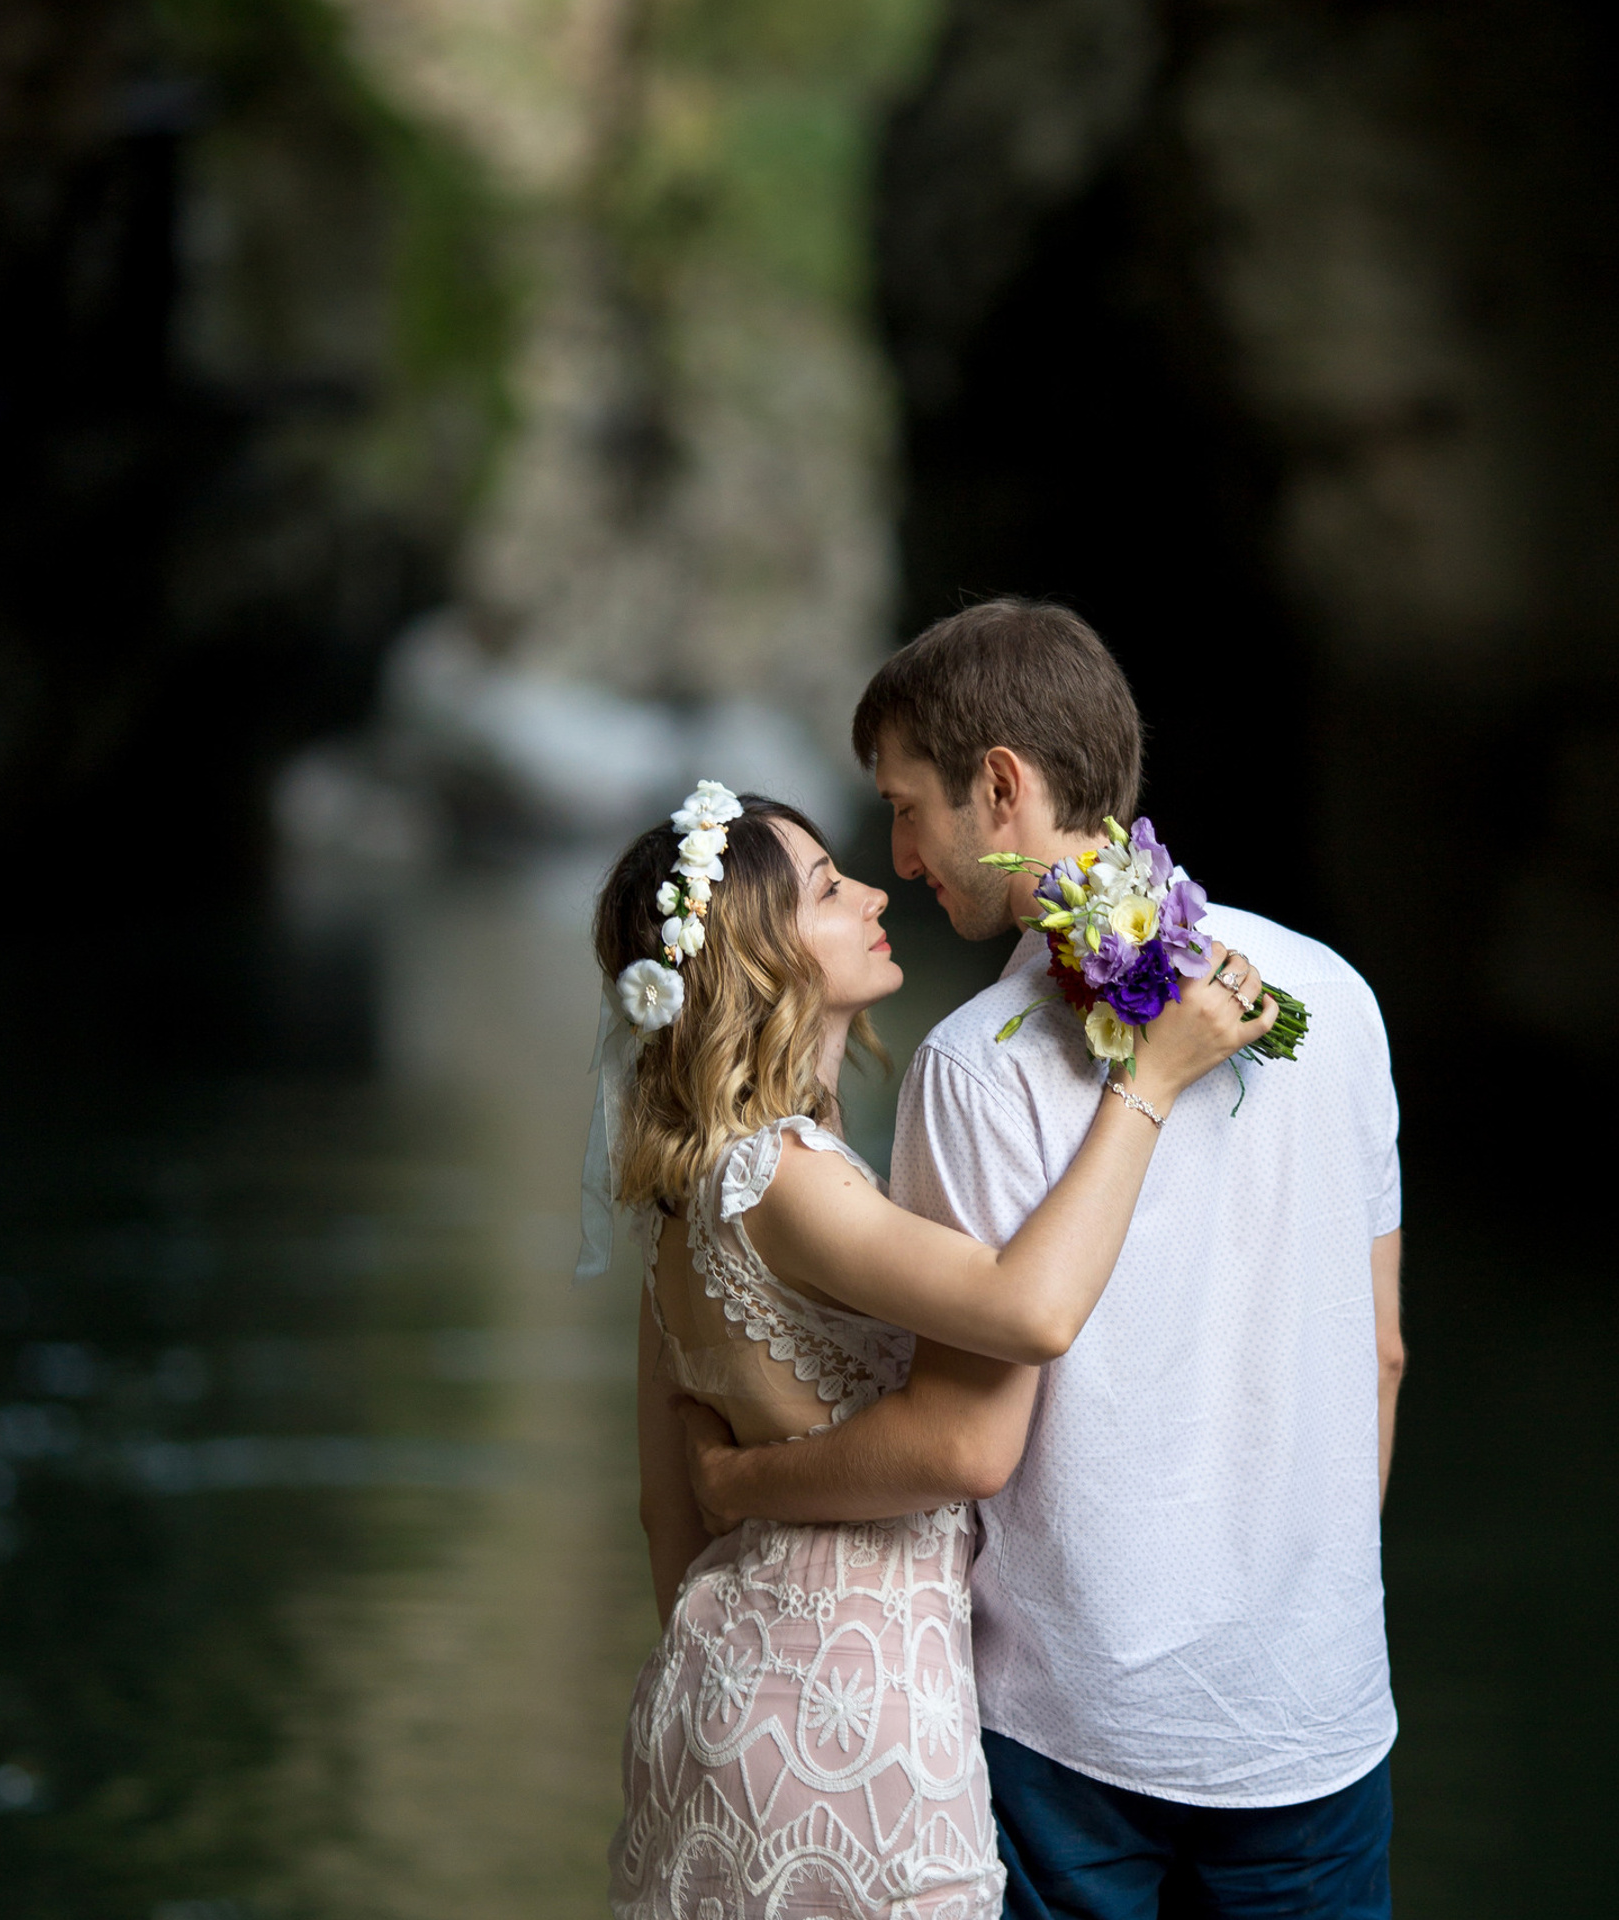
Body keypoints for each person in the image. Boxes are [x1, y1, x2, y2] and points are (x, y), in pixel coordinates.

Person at [678, 601, 1407, 1920]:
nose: (897, 859)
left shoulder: (974, 1065)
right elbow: (1386, 1354)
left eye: (905, 810)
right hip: (1316, 1714)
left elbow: (965, 1440)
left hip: (1076, 1738)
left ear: (999, 788)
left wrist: (736, 1478)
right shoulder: (1333, 1002)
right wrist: (1301, 1621)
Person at [594, 781, 1267, 1920]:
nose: (869, 888)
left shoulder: (686, 1192)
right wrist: (1146, 1087)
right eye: (824, 888)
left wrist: (738, 1689)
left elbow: (670, 1512)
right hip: (862, 1715)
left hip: (714, 1693)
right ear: (761, 955)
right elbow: (1028, 1310)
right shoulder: (786, 1178)